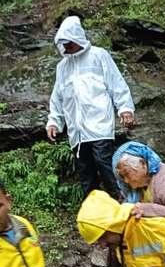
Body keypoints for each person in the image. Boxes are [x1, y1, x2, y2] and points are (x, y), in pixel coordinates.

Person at [46, 15, 135, 201]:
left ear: (78, 37)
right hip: (77, 133)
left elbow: (116, 83)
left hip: (100, 127)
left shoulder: (99, 55)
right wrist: (54, 121)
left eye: (69, 41)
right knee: (86, 177)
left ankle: (123, 206)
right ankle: (95, 216)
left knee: (108, 169)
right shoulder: (62, 67)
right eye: (63, 43)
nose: (66, 46)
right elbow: (58, 97)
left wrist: (125, 108)